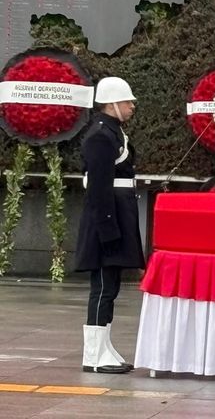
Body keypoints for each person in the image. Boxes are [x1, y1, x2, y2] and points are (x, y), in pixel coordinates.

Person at [74, 76, 145, 373]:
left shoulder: (112, 132)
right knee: (103, 288)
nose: (131, 106)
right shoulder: (101, 136)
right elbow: (99, 189)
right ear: (112, 103)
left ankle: (104, 347)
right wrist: (108, 231)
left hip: (117, 214)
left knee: (110, 287)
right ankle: (93, 355)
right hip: (107, 219)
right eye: (127, 101)